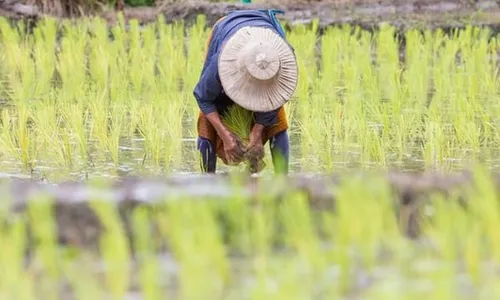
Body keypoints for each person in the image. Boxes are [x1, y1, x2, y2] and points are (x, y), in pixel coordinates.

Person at [193, 9, 298, 175]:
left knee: (277, 120)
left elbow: (281, 94)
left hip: (264, 39)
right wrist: (225, 135)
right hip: (227, 32)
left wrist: (257, 131)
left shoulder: (283, 58)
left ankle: (282, 182)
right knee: (206, 122)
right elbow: (204, 98)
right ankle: (207, 182)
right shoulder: (220, 63)